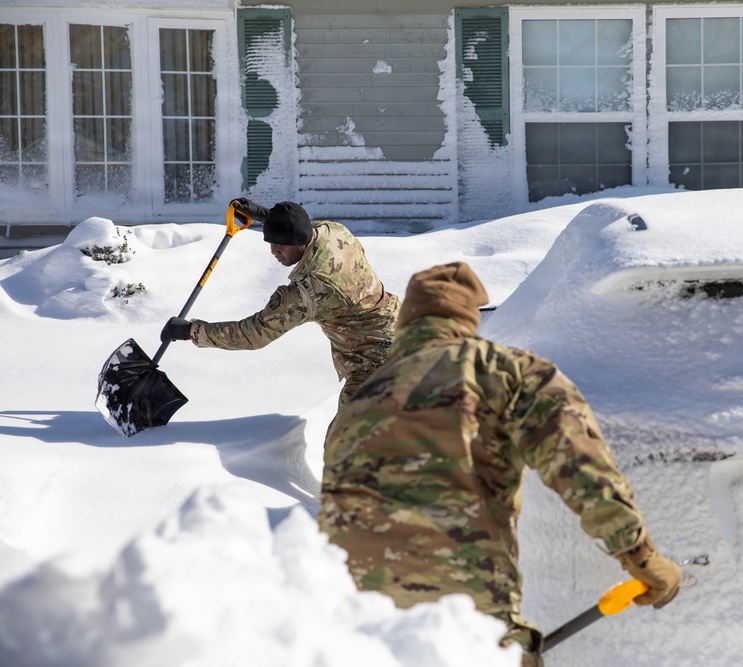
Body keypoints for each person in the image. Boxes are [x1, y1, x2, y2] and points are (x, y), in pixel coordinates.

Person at [317, 262, 681, 666]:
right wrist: (641, 558)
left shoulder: (359, 403)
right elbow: (581, 466)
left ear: (405, 324)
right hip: (467, 623)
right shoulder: (503, 371)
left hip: (360, 631)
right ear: (468, 320)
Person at [160, 199, 399, 405]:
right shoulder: (334, 232)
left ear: (299, 243)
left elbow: (253, 334)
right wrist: (266, 216)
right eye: (271, 243)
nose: (274, 251)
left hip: (376, 360)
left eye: (280, 245)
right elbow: (300, 225)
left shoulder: (311, 290)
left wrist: (191, 331)